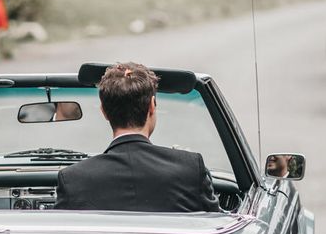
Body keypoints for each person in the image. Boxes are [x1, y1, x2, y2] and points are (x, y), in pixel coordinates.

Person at [55, 62, 220, 213]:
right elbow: (217, 228)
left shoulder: (73, 179)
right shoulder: (190, 169)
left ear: (104, 111)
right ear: (152, 106)